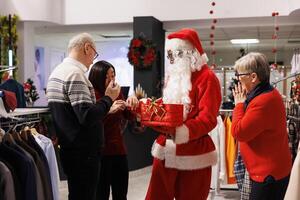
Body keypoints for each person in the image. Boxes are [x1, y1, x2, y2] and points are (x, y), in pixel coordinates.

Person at [145, 28, 222, 200]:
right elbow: (168, 106)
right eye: (170, 54)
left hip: (194, 153)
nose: (172, 59)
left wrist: (180, 131)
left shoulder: (208, 78)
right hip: (167, 149)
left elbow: (208, 119)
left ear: (191, 53)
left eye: (177, 53)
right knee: (156, 196)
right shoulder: (174, 77)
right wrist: (146, 109)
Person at [46, 33, 121, 200]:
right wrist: (109, 98)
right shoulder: (75, 74)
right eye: (94, 54)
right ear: (87, 48)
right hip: (83, 152)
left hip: (71, 149)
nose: (93, 60)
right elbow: (87, 116)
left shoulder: (56, 73)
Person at [231, 52, 292, 200]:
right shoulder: (266, 94)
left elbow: (239, 132)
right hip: (269, 171)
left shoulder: (262, 101)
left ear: (253, 77)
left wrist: (239, 105)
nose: (237, 80)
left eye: (239, 75)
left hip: (267, 175)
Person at [88, 60, 138, 200]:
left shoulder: (117, 91)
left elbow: (130, 116)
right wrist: (109, 110)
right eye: (107, 76)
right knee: (100, 194)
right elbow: (91, 123)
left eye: (113, 76)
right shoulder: (92, 95)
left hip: (118, 150)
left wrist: (131, 102)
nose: (111, 80)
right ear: (97, 76)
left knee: (121, 193)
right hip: (100, 153)